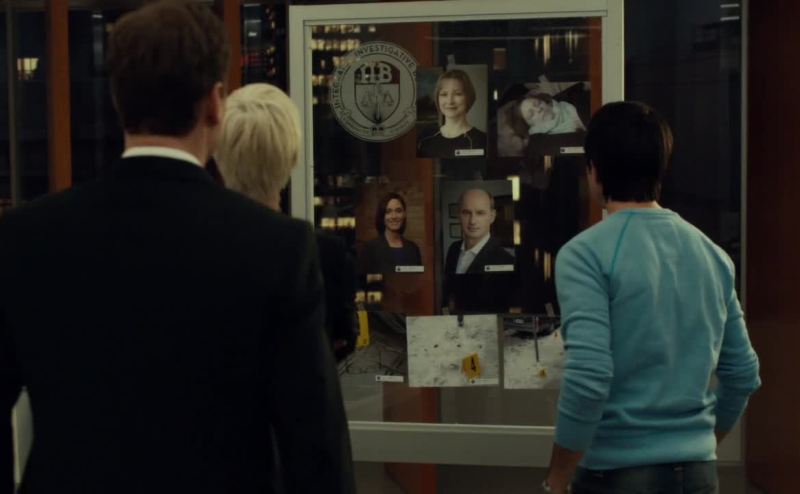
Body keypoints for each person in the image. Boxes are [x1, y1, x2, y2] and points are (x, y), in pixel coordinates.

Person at [0, 3, 354, 494]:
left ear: (118, 100)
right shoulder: (279, 248)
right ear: (215, 105)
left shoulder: (25, 237)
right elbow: (315, 447)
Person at [542, 102, 761, 494]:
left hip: (616, 475)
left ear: (594, 169)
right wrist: (699, 446)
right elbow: (742, 373)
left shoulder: (585, 254)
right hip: (698, 476)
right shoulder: (711, 254)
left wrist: (556, 480)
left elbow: (589, 376)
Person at [216, 83, 358, 362]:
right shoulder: (324, 255)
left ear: (220, 156)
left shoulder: (191, 246)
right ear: (292, 157)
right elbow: (339, 346)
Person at [442, 188, 515, 312]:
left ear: (492, 216)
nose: (472, 221)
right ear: (459, 215)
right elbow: (449, 292)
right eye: (466, 213)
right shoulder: (453, 249)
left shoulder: (506, 260)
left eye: (480, 213)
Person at [417, 69, 487, 158]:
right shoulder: (424, 138)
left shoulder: (482, 140)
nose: (450, 101)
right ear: (437, 98)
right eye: (444, 94)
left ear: (468, 97)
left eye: (458, 94)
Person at [358, 192, 422, 275]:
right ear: (382, 216)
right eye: (388, 212)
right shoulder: (370, 249)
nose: (394, 216)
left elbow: (419, 279)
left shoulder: (413, 249)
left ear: (404, 214)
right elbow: (363, 280)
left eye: (398, 211)